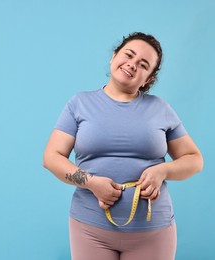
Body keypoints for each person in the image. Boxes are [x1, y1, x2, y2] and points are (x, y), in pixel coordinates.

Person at [42, 32, 203, 260]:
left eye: (143, 65)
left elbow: (194, 159)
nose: (132, 64)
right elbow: (51, 157)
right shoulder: (79, 103)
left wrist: (162, 171)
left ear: (148, 79)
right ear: (114, 56)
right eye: (129, 54)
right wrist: (92, 183)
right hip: (89, 229)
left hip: (153, 233)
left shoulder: (160, 109)